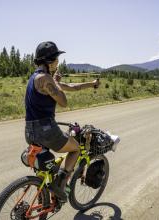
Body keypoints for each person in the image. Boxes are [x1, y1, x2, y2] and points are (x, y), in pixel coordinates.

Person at [24, 41, 100, 202]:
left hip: (30, 131)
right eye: (56, 60)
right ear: (49, 61)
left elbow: (72, 87)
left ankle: (44, 196)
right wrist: (56, 82)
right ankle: (60, 185)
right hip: (45, 130)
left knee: (46, 166)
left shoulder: (35, 77)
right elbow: (63, 101)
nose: (58, 63)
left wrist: (91, 84)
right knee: (75, 149)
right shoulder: (46, 79)